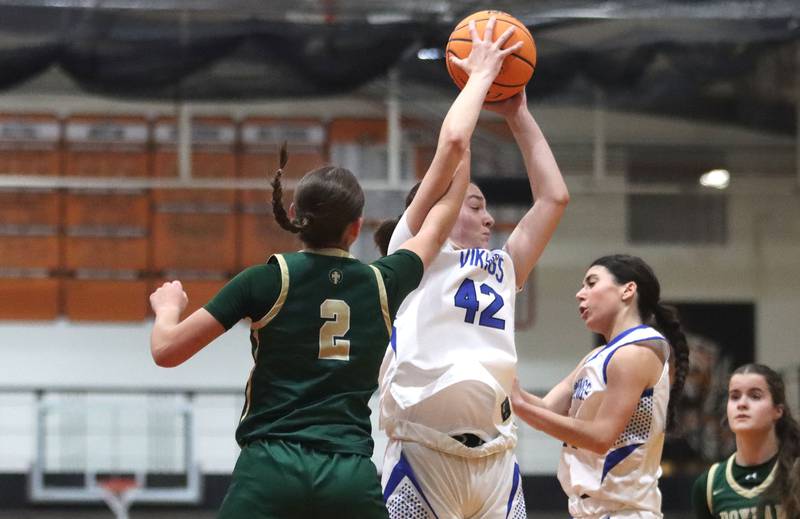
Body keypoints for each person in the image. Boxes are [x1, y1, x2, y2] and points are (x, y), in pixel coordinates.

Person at [147, 17, 520, 519]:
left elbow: (167, 351)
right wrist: (475, 83)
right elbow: (452, 158)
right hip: (347, 472)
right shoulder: (384, 282)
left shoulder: (266, 278)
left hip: (270, 466)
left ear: (297, 220)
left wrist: (167, 308)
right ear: (358, 227)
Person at [375, 22, 570, 519]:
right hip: (424, 452)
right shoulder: (412, 251)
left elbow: (554, 197)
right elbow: (455, 145)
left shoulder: (505, 268)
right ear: (442, 204)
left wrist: (519, 113)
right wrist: (478, 77)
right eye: (475, 204)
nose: (488, 218)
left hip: (497, 456)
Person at [511, 254, 691, 518]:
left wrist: (523, 409)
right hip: (591, 509)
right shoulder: (597, 356)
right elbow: (547, 406)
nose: (579, 294)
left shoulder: (637, 351)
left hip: (624, 511)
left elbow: (600, 437)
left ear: (628, 290)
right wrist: (501, 379)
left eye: (591, 283)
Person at [692, 363, 800, 519]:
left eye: (755, 396)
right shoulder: (709, 484)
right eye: (734, 396)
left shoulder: (795, 472)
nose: (742, 404)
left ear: (778, 410)